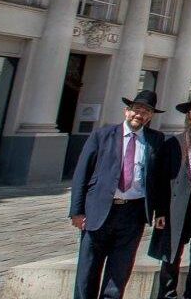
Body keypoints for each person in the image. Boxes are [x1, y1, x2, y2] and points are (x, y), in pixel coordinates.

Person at [70, 89, 167, 299]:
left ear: (150, 116)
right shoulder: (103, 135)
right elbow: (82, 173)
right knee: (87, 270)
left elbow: (158, 180)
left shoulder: (155, 140)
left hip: (133, 214)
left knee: (119, 271)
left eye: (146, 112)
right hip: (99, 211)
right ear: (127, 111)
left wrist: (159, 210)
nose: (139, 115)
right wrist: (76, 211)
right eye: (136, 109)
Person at [149, 91, 191, 299]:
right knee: (171, 254)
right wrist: (159, 211)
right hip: (177, 205)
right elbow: (161, 181)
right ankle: (167, 294)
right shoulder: (173, 144)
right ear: (188, 116)